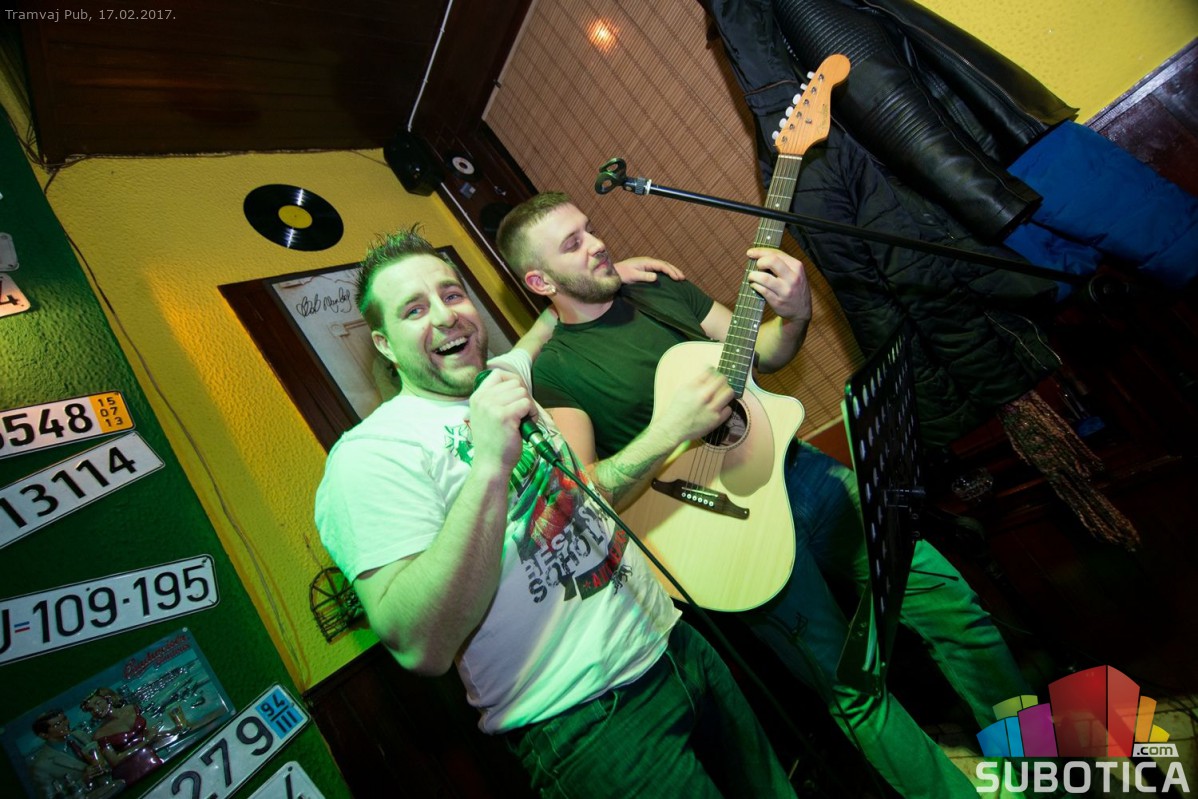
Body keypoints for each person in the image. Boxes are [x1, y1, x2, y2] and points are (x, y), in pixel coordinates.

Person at [495, 191, 1032, 798]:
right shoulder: (557, 372)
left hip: (803, 476)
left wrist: (796, 314)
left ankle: (1041, 764)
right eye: (573, 244)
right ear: (540, 281)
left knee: (953, 606)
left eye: (589, 229)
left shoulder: (661, 291)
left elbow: (765, 353)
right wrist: (670, 428)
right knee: (855, 691)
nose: (597, 244)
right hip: (729, 534)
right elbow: (590, 491)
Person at [313, 227, 797, 798]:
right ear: (385, 344)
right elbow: (420, 645)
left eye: (452, 294)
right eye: (413, 310)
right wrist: (489, 465)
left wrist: (604, 276)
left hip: (676, 645)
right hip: (589, 722)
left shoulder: (504, 381)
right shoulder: (370, 455)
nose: (445, 316)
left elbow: (537, 349)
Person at [80, 688, 164, 786]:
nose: (96, 710)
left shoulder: (132, 709)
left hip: (153, 760)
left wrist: (173, 731)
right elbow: (115, 761)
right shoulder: (100, 734)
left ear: (108, 699)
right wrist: (146, 741)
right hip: (131, 774)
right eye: (91, 709)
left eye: (98, 703)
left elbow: (151, 732)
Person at [27, 710, 105, 799]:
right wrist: (83, 780)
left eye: (64, 719)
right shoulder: (41, 766)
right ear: (44, 735)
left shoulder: (79, 735)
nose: (65, 724)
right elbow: (51, 797)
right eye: (57, 724)